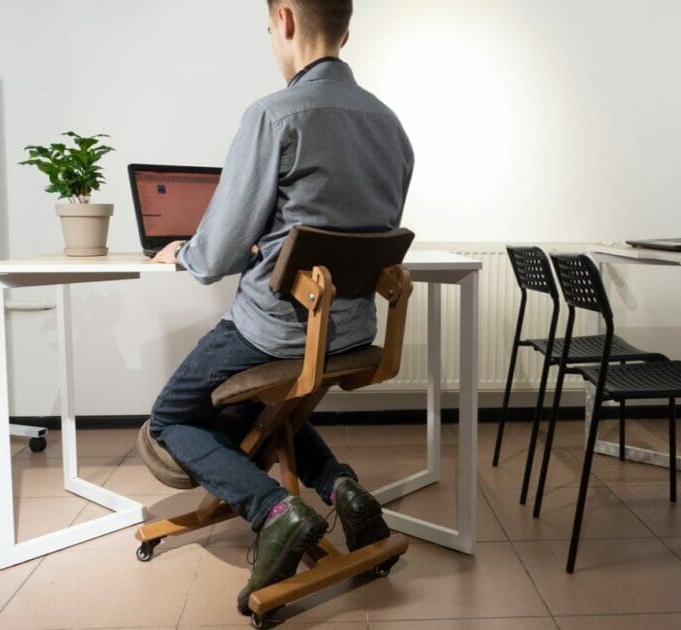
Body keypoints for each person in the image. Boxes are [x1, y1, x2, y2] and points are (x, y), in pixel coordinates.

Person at [148, 0, 414, 615]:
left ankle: (274, 511)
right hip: (353, 333)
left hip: (277, 332)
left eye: (269, 27)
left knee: (172, 417)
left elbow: (214, 255)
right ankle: (344, 490)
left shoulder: (273, 116)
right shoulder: (391, 125)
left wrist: (182, 253)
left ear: (286, 20)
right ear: (346, 30)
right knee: (268, 409)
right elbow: (367, 236)